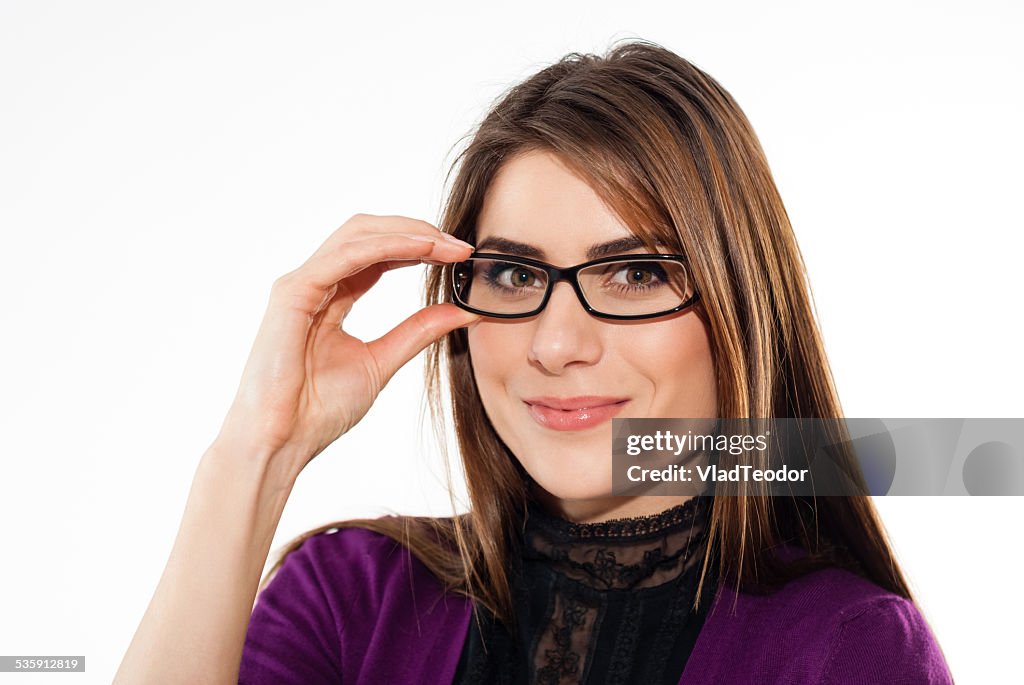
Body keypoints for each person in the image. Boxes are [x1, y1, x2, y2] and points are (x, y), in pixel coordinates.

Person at [114, 39, 954, 684]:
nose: (557, 345)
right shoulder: (350, 600)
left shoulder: (848, 646)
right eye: (515, 274)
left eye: (635, 273)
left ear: (739, 305)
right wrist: (254, 455)